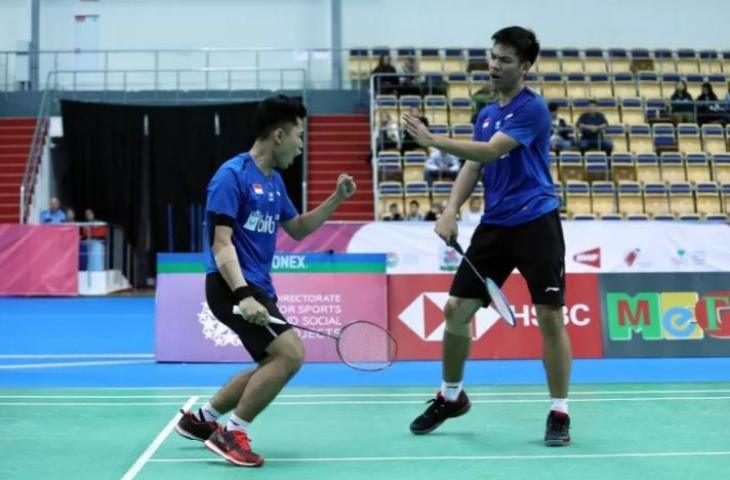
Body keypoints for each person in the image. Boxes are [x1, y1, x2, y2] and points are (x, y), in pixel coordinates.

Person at [403, 26, 571, 446]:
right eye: (493, 57)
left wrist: (433, 140)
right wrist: (449, 209)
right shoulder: (486, 113)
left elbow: (491, 151)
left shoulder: (532, 110)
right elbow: (474, 167)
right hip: (495, 225)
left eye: (506, 60)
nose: (495, 65)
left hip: (536, 221)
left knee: (549, 315)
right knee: (456, 308)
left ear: (526, 67)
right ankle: (451, 396)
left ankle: (559, 410)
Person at [174, 95, 356, 467]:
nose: (301, 145)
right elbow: (220, 243)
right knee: (290, 355)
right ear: (278, 135)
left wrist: (335, 199)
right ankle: (232, 433)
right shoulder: (232, 176)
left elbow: (300, 228)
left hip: (257, 287)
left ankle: (202, 420)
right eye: (299, 136)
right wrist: (243, 295)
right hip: (232, 285)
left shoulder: (274, 183)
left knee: (270, 364)